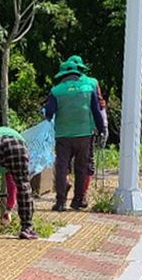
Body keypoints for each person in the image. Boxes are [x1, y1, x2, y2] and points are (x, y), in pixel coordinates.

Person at [44, 60, 106, 211]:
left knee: (62, 167)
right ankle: (78, 200)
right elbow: (96, 111)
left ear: (63, 75)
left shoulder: (56, 91)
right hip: (84, 135)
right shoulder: (87, 88)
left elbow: (49, 113)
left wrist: (49, 112)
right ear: (78, 73)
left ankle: (60, 202)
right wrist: (101, 128)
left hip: (63, 135)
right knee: (81, 168)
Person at [63, 55, 108, 197]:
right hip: (86, 128)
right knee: (87, 160)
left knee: (64, 158)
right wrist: (103, 126)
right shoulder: (92, 83)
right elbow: (100, 105)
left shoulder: (63, 84)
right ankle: (82, 194)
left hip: (65, 128)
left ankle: (65, 180)